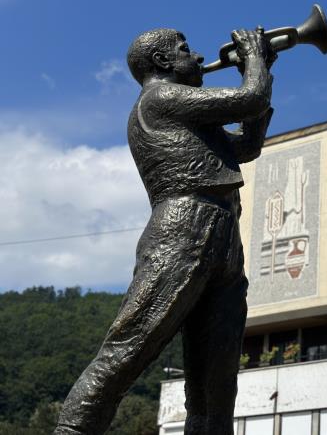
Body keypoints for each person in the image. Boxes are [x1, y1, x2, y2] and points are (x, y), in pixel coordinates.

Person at [55, 27, 274, 435]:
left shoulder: (190, 117)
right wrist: (254, 60)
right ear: (162, 61)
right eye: (185, 50)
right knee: (129, 347)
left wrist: (262, 70)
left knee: (217, 377)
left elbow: (247, 147)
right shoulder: (160, 98)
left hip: (223, 232)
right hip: (183, 227)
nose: (198, 56)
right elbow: (250, 98)